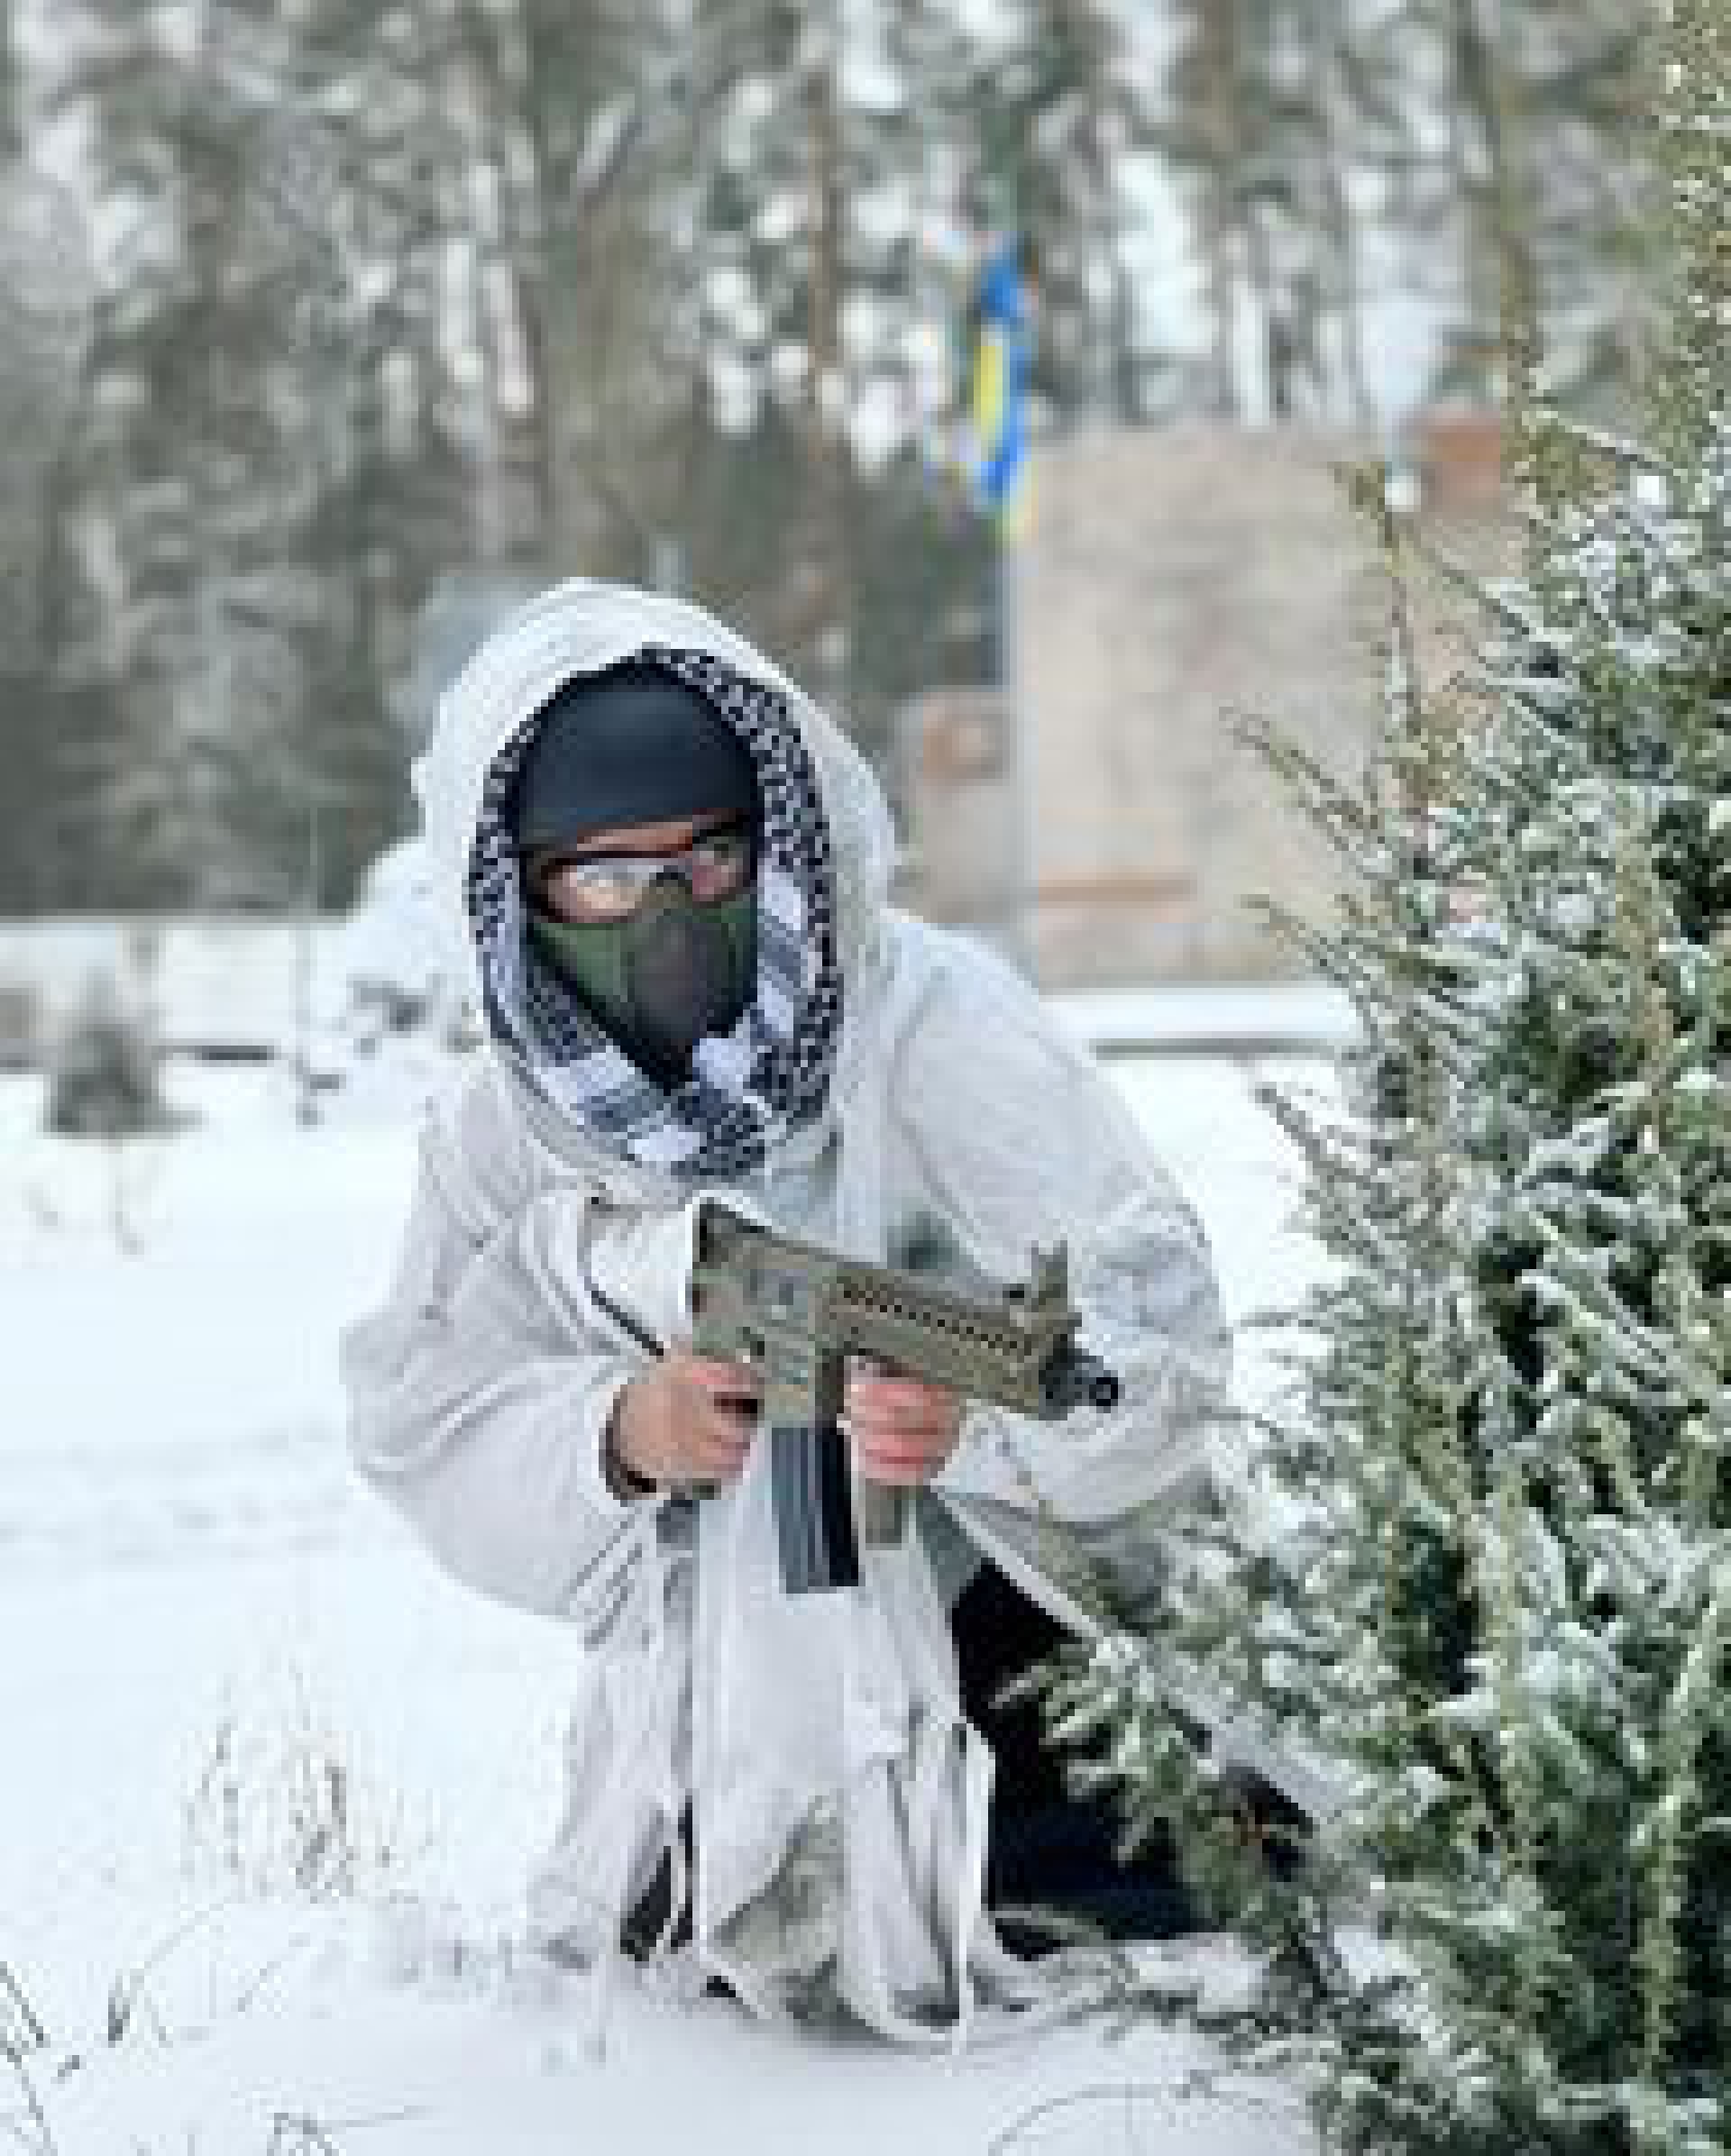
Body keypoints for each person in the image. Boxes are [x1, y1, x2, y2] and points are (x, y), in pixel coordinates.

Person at [341, 579, 1316, 2045]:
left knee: (1114, 1923)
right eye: (611, 880)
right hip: (715, 1714)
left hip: (1053, 1668)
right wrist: (620, 1430)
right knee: (717, 1940)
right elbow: (426, 1419)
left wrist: (976, 1418)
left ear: (778, 843)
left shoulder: (935, 1028)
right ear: (522, 892)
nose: (668, 917)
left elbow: (1160, 1342)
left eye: (713, 860)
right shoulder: (513, 1126)